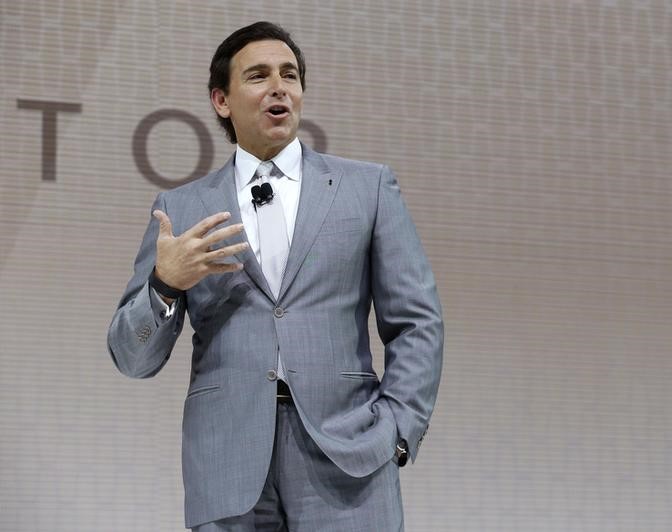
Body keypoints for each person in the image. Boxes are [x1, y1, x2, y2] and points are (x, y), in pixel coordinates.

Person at [107, 21, 443, 531]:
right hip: (227, 460)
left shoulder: (366, 188)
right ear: (222, 101)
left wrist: (399, 429)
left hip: (350, 452)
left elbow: (417, 321)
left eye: (289, 75)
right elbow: (132, 359)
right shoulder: (182, 207)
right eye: (258, 76)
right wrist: (164, 283)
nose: (279, 86)